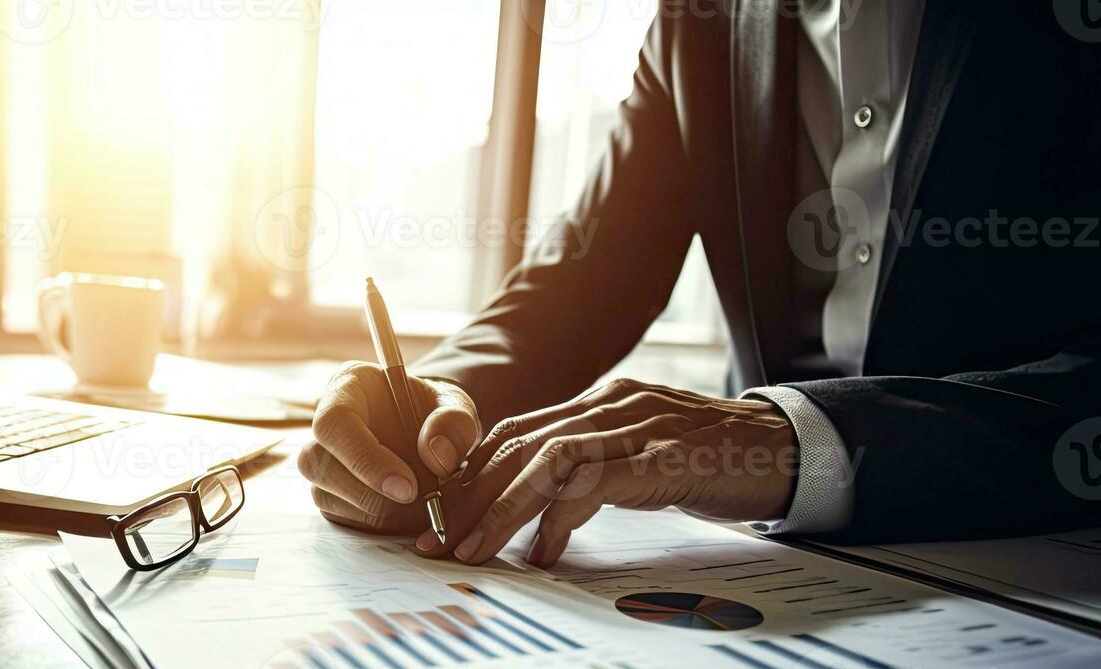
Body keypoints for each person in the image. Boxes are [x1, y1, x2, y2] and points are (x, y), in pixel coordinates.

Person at [300, 0, 1101, 564]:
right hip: (757, 564)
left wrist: (799, 438)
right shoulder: (702, 16)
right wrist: (435, 404)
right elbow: (583, 283)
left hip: (1040, 566)